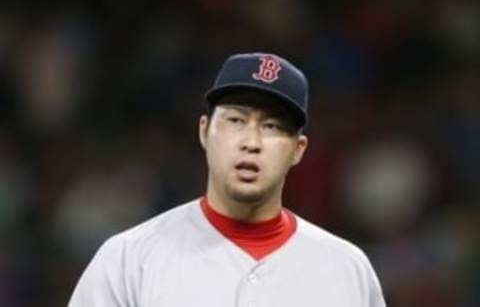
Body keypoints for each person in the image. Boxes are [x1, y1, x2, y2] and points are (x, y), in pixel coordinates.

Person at [68, 53, 386, 307]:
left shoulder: (346, 269)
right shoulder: (129, 259)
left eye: (272, 126)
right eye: (235, 120)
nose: (251, 141)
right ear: (204, 131)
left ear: (298, 149)